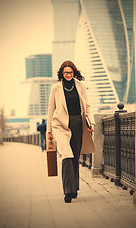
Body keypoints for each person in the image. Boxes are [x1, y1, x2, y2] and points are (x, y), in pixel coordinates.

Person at [47, 60, 95, 203]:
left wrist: (90, 122)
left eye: (71, 72)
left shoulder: (80, 86)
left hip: (77, 124)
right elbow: (51, 109)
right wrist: (49, 130)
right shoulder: (55, 88)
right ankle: (68, 191)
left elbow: (87, 106)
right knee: (66, 155)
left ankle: (74, 188)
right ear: (62, 73)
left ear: (74, 73)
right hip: (60, 125)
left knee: (74, 157)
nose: (68, 75)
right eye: (66, 72)